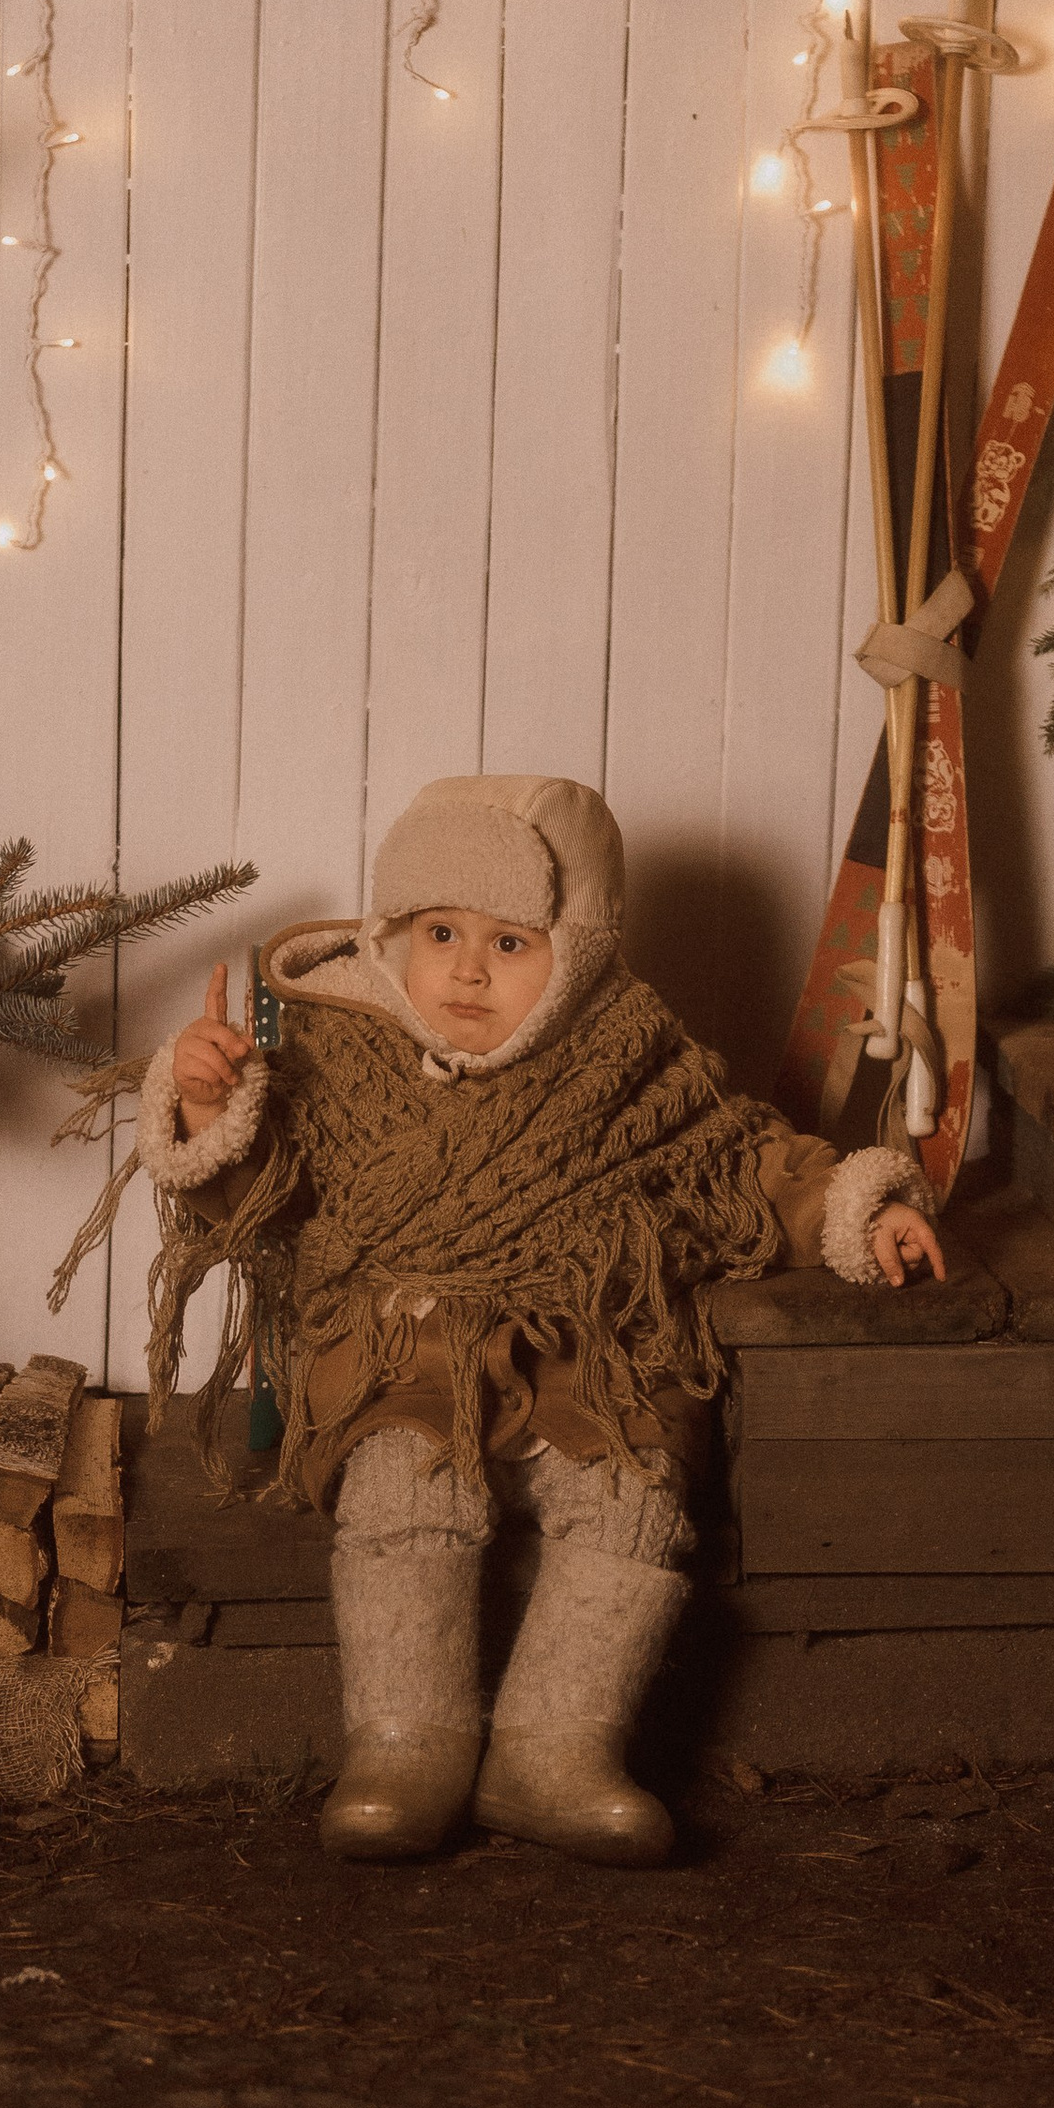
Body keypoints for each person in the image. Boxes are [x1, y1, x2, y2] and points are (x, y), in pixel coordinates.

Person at [128, 774, 944, 1871]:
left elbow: (745, 1164)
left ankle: (554, 1749)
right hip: (403, 1344)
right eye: (439, 931)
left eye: (511, 944)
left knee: (635, 1493)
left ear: (580, 960)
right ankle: (402, 1743)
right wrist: (206, 1104)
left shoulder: (631, 1066)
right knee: (405, 1487)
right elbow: (257, 1197)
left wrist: (861, 1206)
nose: (465, 968)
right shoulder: (334, 1060)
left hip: (587, 1341)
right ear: (391, 935)